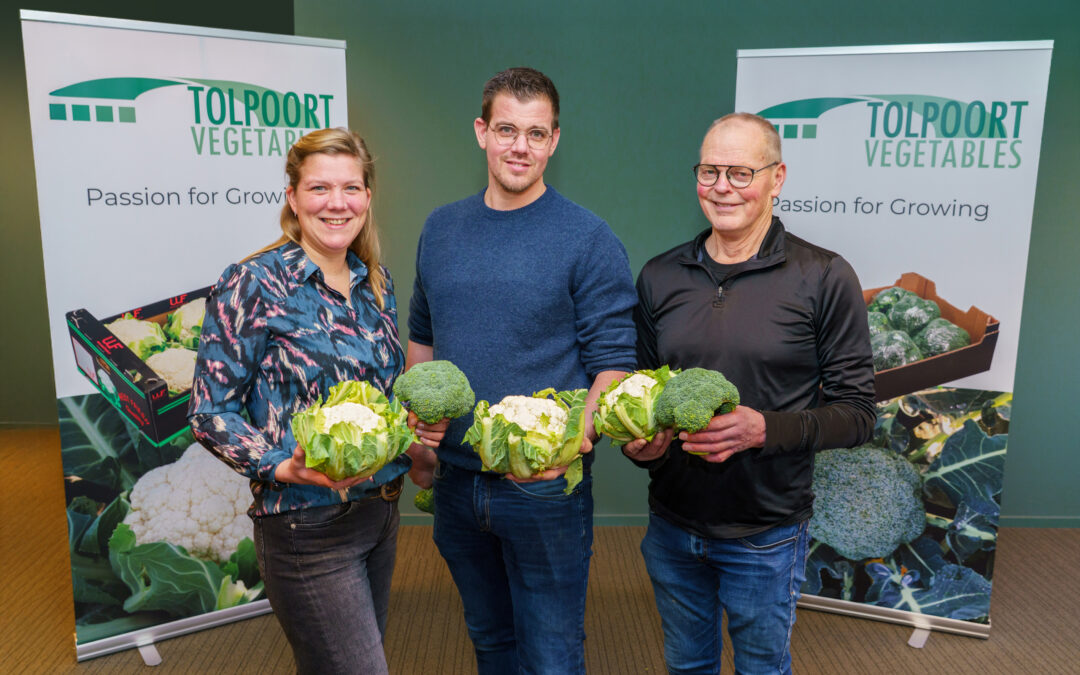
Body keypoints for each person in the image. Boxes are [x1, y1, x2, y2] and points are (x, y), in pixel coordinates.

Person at [404, 67, 637, 674]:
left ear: (554, 140)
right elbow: (422, 340)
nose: (519, 146)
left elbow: (612, 366)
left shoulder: (588, 239)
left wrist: (570, 447)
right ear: (481, 131)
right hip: (456, 484)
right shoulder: (441, 228)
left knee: (552, 657)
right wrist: (420, 446)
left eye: (536, 133)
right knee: (490, 641)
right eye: (507, 129)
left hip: (544, 491)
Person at [625, 113, 876, 674]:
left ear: (777, 177)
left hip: (766, 534)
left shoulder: (825, 277)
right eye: (710, 171)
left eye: (740, 172)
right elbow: (642, 392)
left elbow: (859, 415)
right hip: (671, 526)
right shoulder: (660, 276)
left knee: (762, 668)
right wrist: (640, 443)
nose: (722, 187)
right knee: (686, 666)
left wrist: (765, 428)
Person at [188, 128, 445, 675]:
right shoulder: (251, 283)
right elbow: (210, 413)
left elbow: (381, 397)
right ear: (293, 197)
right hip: (305, 528)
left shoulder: (375, 281)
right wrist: (281, 465)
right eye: (319, 188)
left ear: (368, 197)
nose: (337, 203)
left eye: (351, 188)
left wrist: (415, 433)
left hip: (379, 515)